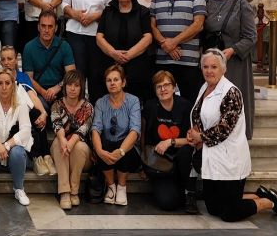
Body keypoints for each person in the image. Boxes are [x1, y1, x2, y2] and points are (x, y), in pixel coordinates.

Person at [186, 49, 277, 221]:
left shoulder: (231, 92)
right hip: (211, 157)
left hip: (229, 158)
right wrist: (193, 131)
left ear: (223, 69)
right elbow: (199, 115)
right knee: (213, 208)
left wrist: (200, 137)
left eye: (214, 67)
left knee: (229, 213)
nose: (209, 71)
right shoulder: (205, 87)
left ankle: (269, 201)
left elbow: (224, 128)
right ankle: (259, 194)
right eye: (205, 67)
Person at [204, 0, 256, 139]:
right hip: (212, 63)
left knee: (233, 103)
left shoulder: (241, 3)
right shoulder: (208, 2)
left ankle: (238, 140)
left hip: (234, 64)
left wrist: (232, 50)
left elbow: (251, 37)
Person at [22, 10, 76, 174]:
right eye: (43, 26)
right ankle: (41, 156)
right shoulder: (29, 47)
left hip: (61, 92)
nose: (46, 30)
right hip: (39, 92)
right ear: (38, 27)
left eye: (50, 27)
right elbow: (28, 78)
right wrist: (44, 91)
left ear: (56, 28)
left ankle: (69, 153)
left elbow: (71, 73)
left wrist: (58, 87)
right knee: (36, 111)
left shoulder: (63, 45)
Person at [62, 0, 115, 103]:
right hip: (74, 32)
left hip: (96, 35)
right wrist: (75, 14)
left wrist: (95, 16)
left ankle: (95, 111)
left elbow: (112, 8)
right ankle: (77, 111)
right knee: (77, 75)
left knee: (96, 76)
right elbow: (64, 3)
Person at [150, 0, 206, 102]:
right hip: (163, 60)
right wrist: (164, 43)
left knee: (190, 102)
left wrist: (173, 42)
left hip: (187, 60)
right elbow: (152, 25)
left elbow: (198, 24)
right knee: (163, 102)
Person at [141, 71, 196, 212]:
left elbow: (192, 140)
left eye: (167, 85)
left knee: (186, 152)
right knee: (168, 203)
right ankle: (177, 192)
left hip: (181, 161)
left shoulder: (185, 106)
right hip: (160, 162)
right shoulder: (150, 107)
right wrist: (142, 167)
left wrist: (170, 142)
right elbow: (144, 139)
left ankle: (190, 192)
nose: (163, 89)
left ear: (174, 87)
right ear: (154, 90)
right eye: (159, 86)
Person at [96, 0, 154, 104]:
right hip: (111, 64)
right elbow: (99, 37)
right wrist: (113, 53)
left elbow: (148, 37)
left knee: (136, 102)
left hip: (137, 66)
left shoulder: (143, 11)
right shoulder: (108, 11)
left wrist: (128, 55)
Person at [0, 68, 33, 206]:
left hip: (14, 154)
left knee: (17, 151)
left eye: (7, 83)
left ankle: (19, 189)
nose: (4, 87)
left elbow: (26, 130)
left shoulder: (21, 105)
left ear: (13, 85)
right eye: (0, 83)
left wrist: (7, 145)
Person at [91, 65, 141, 206]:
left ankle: (122, 187)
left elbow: (135, 131)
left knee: (126, 144)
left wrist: (121, 151)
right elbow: (95, 129)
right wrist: (99, 151)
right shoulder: (101, 102)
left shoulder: (133, 101)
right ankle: (111, 185)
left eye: (116, 80)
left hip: (127, 149)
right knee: (102, 144)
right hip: (108, 145)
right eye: (109, 80)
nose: (112, 83)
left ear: (123, 82)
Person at [49, 70, 93, 210]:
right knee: (57, 143)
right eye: (69, 85)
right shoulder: (57, 104)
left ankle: (75, 191)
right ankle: (65, 192)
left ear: (81, 88)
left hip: (81, 153)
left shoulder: (88, 107)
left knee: (78, 147)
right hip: (61, 150)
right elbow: (57, 125)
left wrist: (69, 143)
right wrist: (63, 140)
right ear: (65, 87)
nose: (72, 89)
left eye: (76, 85)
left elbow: (82, 131)